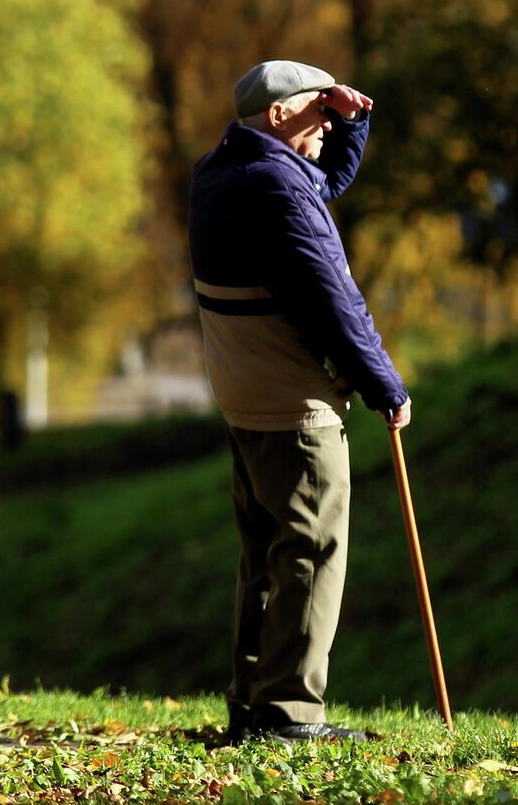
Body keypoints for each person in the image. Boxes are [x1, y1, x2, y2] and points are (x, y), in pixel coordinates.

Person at [188, 59, 411, 745]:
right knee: (311, 550)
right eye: (320, 115)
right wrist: (384, 384)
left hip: (243, 394)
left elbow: (323, 181)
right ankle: (289, 716)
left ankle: (253, 706)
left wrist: (354, 121)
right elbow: (332, 302)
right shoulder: (277, 187)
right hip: (294, 404)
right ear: (281, 115)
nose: (327, 128)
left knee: (264, 556)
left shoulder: (222, 171)